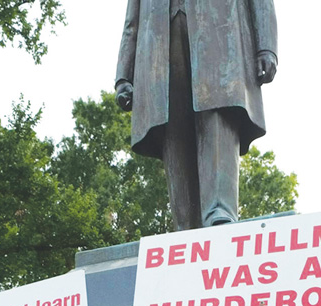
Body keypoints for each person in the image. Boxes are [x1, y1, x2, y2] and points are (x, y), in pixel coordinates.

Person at [115, 0, 278, 230]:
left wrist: (266, 47)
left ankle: (219, 211)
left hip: (220, 33)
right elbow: (132, 19)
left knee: (218, 117)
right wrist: (124, 75)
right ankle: (185, 225)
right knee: (172, 126)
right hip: (159, 47)